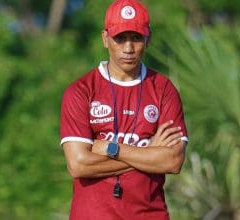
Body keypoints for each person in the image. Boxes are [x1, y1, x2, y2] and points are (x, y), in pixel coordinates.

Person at [60, 0, 188, 219]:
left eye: (136, 38)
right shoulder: (81, 91)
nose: (128, 48)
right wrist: (149, 153)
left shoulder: (164, 90)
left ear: (148, 39)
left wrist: (112, 149)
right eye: (120, 38)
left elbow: (172, 161)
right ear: (105, 39)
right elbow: (79, 165)